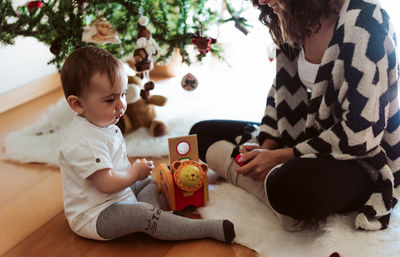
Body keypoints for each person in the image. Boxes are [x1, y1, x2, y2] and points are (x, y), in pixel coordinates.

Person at [190, 0, 399, 231]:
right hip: (307, 137)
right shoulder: (291, 17)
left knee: (287, 185)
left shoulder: (366, 19)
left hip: (361, 159)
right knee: (199, 132)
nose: (261, 1)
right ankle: (267, 187)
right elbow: (280, 90)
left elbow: (362, 132)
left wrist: (282, 156)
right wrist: (268, 144)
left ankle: (272, 187)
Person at [58, 46, 235, 242]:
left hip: (119, 195)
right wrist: (134, 172)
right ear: (77, 104)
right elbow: (105, 183)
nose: (122, 105)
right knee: (142, 213)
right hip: (97, 214)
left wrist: (137, 175)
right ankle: (203, 228)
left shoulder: (100, 123)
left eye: (123, 94)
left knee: (148, 181)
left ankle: (156, 218)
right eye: (110, 100)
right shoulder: (85, 141)